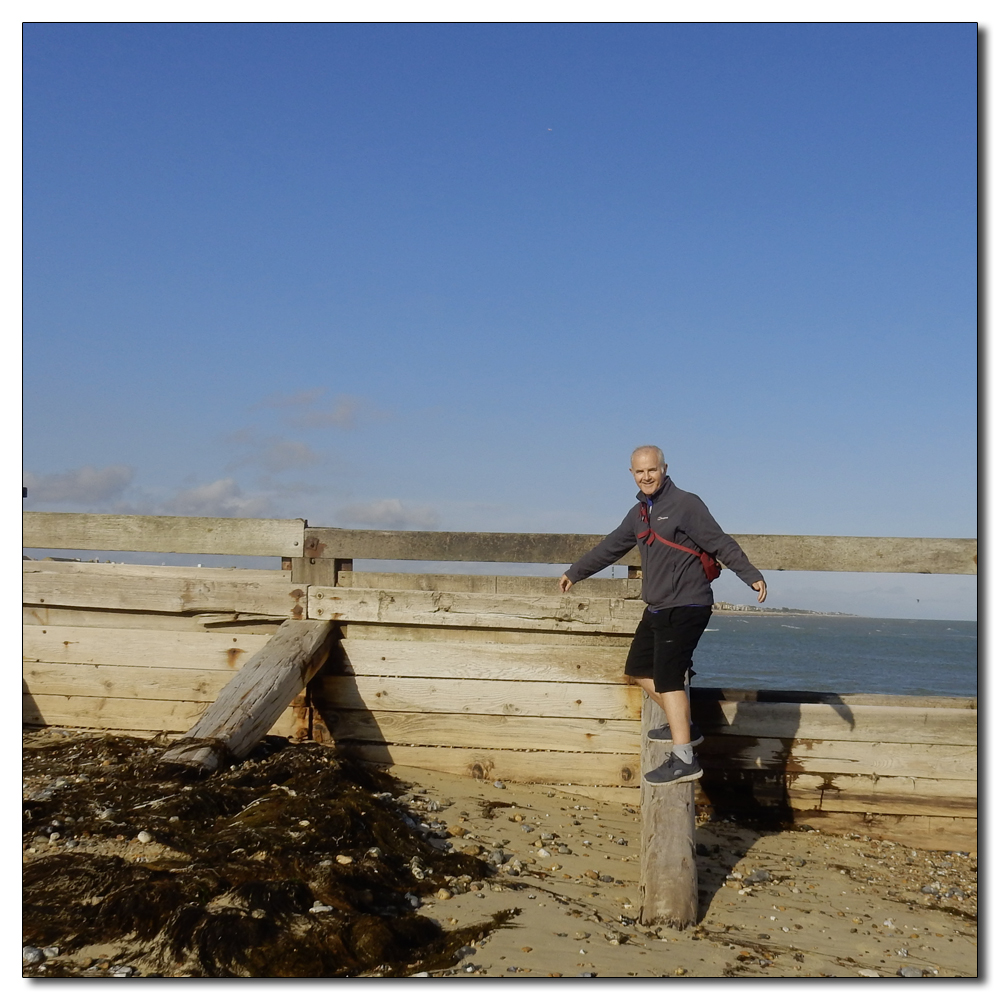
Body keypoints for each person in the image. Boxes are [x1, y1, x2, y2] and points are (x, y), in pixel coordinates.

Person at [559, 446, 767, 784]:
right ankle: (683, 723)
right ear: (632, 474)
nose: (646, 477)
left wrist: (751, 575)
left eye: (651, 470)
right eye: (639, 472)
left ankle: (684, 757)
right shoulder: (638, 514)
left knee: (670, 678)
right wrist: (576, 572)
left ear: (664, 468)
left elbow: (720, 542)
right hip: (656, 607)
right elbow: (610, 547)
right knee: (639, 669)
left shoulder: (686, 504)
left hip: (687, 604)